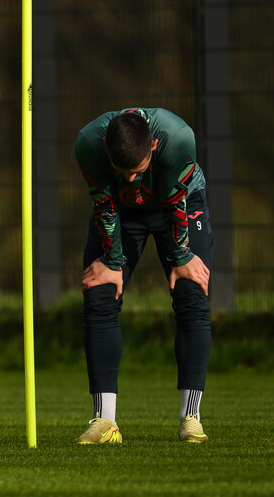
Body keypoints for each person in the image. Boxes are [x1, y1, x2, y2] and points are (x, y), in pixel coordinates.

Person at [73, 108, 212, 444]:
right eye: (124, 172)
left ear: (152, 146)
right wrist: (112, 262)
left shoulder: (178, 138)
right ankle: (105, 421)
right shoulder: (88, 144)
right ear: (106, 147)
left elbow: (173, 201)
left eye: (137, 171)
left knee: (191, 292)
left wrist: (181, 257)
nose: (132, 179)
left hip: (179, 201)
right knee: (100, 293)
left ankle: (190, 418)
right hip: (120, 210)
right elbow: (104, 204)